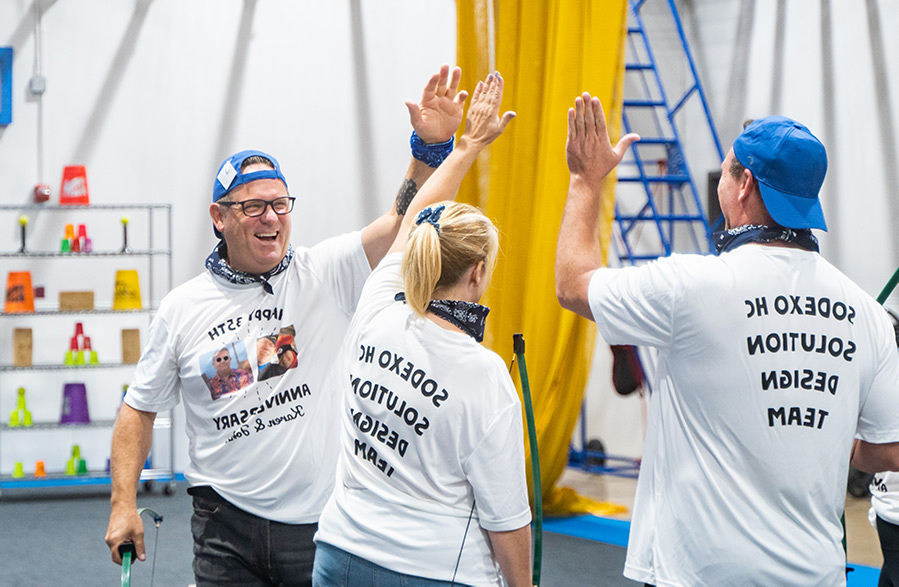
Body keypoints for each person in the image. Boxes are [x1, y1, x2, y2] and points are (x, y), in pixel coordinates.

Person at [105, 65, 471, 586]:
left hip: (319, 527)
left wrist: (428, 151)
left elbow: (402, 224)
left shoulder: (325, 272)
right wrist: (123, 504)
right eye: (253, 207)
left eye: (280, 204)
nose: (271, 218)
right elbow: (138, 409)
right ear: (219, 216)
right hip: (223, 525)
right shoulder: (182, 308)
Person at [555, 93, 899, 585]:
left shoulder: (690, 287)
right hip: (814, 573)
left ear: (744, 187)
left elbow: (573, 283)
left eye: (727, 171)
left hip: (701, 573)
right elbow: (893, 447)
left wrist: (585, 179)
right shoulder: (864, 311)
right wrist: (825, 435)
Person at [312, 72, 532, 587]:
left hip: (339, 553)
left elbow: (414, 218)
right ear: (478, 273)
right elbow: (507, 520)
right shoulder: (485, 375)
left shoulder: (379, 305)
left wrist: (468, 146)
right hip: (429, 572)